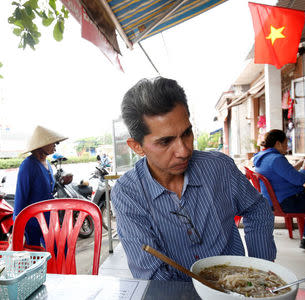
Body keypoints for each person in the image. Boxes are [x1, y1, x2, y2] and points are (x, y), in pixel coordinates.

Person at [111, 77, 276, 281]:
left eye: (187, 133)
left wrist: (259, 271)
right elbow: (151, 273)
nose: (184, 151)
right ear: (137, 146)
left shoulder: (219, 168)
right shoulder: (128, 192)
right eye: (165, 141)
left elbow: (257, 209)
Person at [14, 125, 72, 246]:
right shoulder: (28, 166)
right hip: (32, 222)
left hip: (49, 217)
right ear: (41, 145)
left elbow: (47, 191)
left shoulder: (48, 164)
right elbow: (20, 198)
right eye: (52, 143)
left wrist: (61, 182)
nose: (55, 145)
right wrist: (18, 228)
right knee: (35, 257)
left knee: (61, 249)